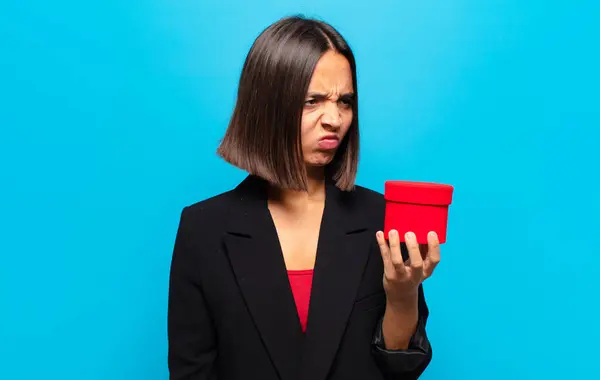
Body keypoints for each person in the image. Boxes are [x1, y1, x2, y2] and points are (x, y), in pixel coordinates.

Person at [167, 15, 441, 380]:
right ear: (268, 105)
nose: (335, 118)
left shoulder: (380, 219)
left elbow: (396, 368)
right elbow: (192, 371)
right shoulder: (203, 230)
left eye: (344, 101)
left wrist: (403, 293)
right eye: (313, 101)